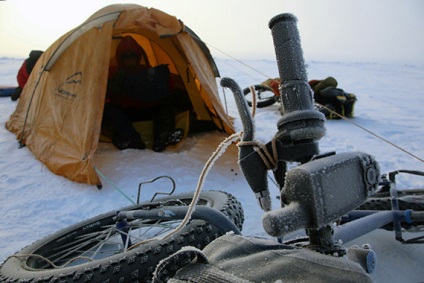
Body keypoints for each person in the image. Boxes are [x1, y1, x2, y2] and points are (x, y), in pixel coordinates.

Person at [102, 36, 183, 151]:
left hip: (148, 109)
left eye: (132, 57)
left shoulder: (146, 70)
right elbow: (105, 93)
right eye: (126, 57)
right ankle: (131, 138)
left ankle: (162, 137)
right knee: (110, 110)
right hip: (126, 112)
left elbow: (167, 89)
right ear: (121, 58)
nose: (130, 60)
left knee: (166, 104)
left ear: (137, 57)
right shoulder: (114, 72)